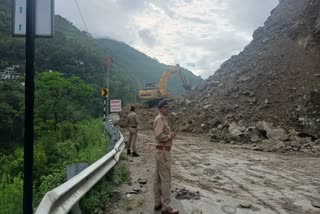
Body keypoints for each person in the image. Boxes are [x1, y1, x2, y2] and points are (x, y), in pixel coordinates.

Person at [153, 99, 179, 214]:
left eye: (169, 107)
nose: (168, 109)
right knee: (166, 179)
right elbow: (159, 135)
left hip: (161, 152)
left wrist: (169, 136)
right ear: (160, 108)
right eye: (166, 107)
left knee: (158, 179)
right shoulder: (160, 119)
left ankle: (158, 203)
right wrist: (169, 136)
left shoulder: (162, 119)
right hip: (163, 153)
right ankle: (166, 208)